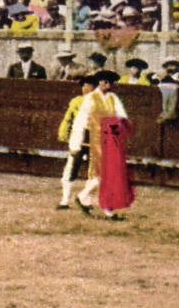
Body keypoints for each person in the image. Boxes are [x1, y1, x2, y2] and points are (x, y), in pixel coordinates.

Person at [68, 71, 133, 219]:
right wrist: (75, 143)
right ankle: (106, 209)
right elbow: (80, 121)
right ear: (100, 82)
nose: (108, 85)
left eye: (110, 83)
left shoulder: (112, 98)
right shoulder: (90, 98)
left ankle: (85, 198)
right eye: (105, 82)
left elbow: (122, 116)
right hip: (97, 141)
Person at [56, 77, 95, 209]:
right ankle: (65, 200)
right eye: (83, 85)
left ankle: (87, 200)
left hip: (93, 138)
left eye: (88, 85)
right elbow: (68, 118)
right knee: (71, 167)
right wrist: (63, 133)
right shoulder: (76, 101)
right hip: (79, 137)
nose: (85, 88)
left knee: (92, 171)